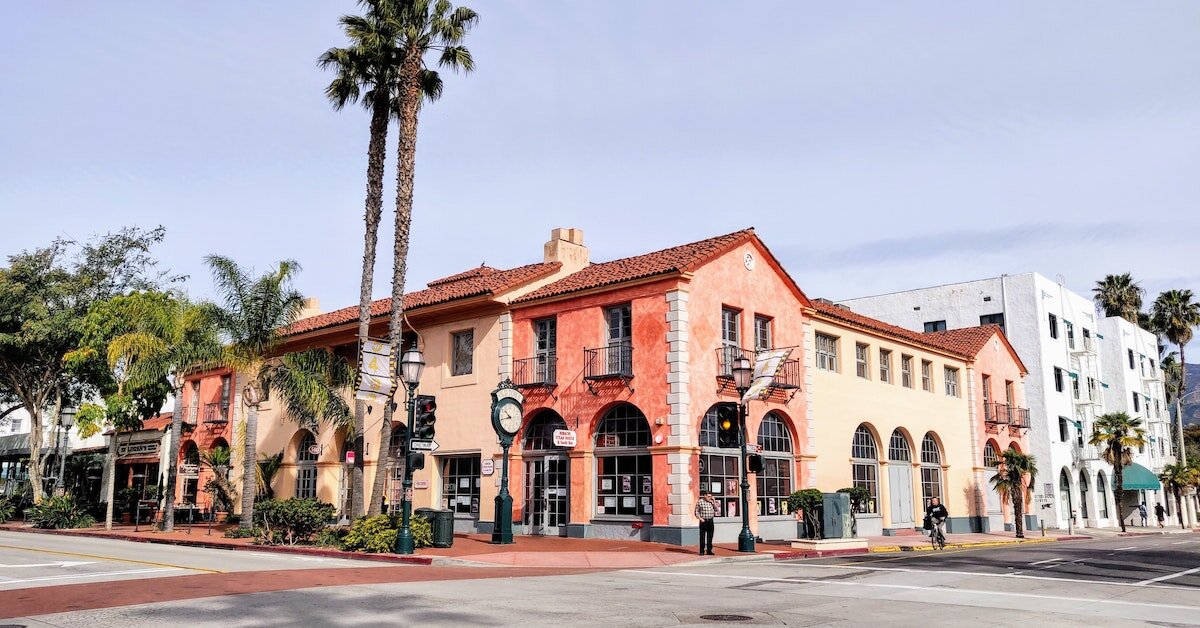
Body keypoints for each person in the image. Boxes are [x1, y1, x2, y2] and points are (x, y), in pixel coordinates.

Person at [695, 490, 719, 555]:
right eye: (708, 496)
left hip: (710, 521)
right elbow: (696, 511)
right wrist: (700, 518)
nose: (709, 498)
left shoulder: (712, 502)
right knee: (702, 537)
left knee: (710, 536)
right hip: (703, 521)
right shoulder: (700, 502)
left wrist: (713, 501)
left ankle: (709, 550)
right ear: (705, 496)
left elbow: (717, 510)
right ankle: (702, 551)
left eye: (710, 496)